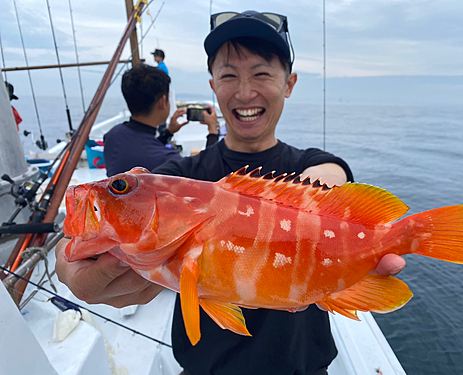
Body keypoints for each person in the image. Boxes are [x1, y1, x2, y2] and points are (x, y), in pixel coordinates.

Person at [55, 11, 406, 375]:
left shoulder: (311, 165)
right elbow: (76, 252)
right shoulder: (183, 175)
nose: (244, 91)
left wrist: (327, 190)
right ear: (212, 84)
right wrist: (72, 261)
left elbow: (331, 175)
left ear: (290, 83)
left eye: (261, 73)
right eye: (228, 75)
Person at [103, 63, 218, 177]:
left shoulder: (112, 136)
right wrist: (212, 130)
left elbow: (142, 148)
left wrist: (168, 133)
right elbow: (204, 177)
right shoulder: (169, 161)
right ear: (163, 101)